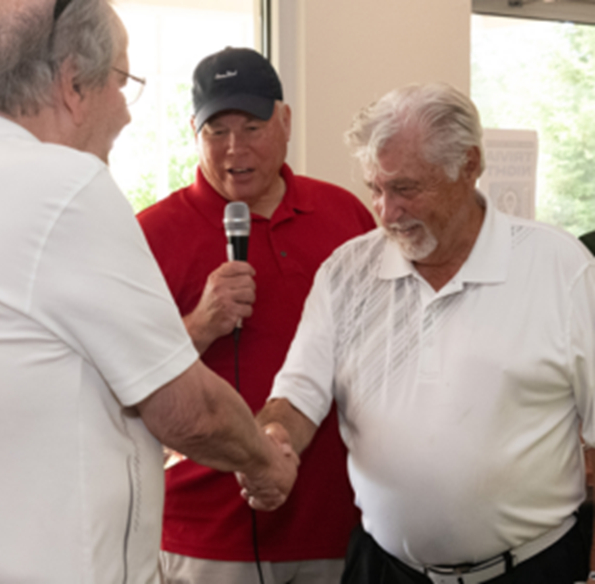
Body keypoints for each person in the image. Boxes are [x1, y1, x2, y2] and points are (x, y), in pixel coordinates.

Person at [0, 1, 299, 582]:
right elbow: (187, 410)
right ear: (73, 84)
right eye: (121, 83)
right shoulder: (62, 186)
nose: (126, 115)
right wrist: (265, 463)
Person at [247, 82, 595, 584]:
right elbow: (299, 394)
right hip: (384, 570)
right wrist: (273, 440)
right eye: (375, 188)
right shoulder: (348, 272)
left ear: (470, 165)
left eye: (406, 189)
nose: (387, 212)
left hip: (531, 570)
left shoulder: (560, 269)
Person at [136, 47, 373, 584]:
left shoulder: (345, 214)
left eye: (252, 126)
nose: (234, 149)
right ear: (194, 134)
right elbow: (123, 379)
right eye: (216, 131)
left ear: (285, 121)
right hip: (206, 537)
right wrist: (200, 324)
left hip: (338, 525)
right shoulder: (149, 234)